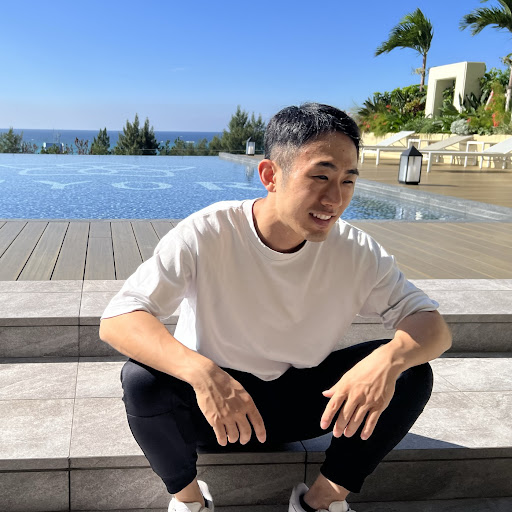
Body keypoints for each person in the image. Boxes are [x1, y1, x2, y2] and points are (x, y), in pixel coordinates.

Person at [99, 103, 452, 512]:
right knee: (142, 380)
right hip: (214, 411)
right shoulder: (209, 232)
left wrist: (388, 361)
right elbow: (119, 319)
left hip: (303, 406)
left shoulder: (357, 250)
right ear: (270, 175)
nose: (335, 199)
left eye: (348, 181)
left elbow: (433, 327)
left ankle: (320, 502)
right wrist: (202, 373)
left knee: (410, 371)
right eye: (320, 177)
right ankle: (190, 501)